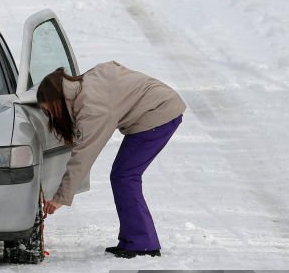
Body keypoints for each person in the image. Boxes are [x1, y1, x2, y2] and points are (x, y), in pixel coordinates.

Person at [38, 62, 186, 258]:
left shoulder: (92, 107)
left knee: (125, 176)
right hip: (162, 104)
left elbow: (83, 155)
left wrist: (60, 199)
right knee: (123, 176)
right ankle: (133, 240)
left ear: (57, 101)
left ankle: (142, 243)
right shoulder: (87, 83)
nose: (50, 117)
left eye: (50, 111)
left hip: (159, 114)